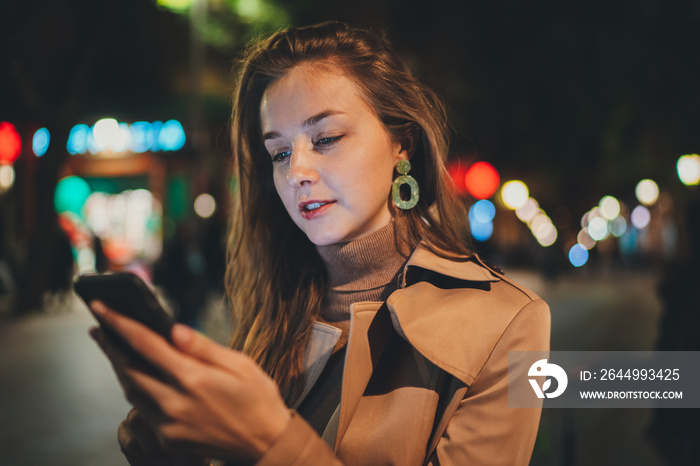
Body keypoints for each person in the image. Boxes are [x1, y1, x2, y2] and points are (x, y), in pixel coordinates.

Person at [88, 21, 550, 466]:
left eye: (326, 138)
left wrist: (271, 442)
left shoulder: (512, 323)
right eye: (280, 153)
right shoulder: (274, 304)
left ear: (401, 144)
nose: (296, 173)